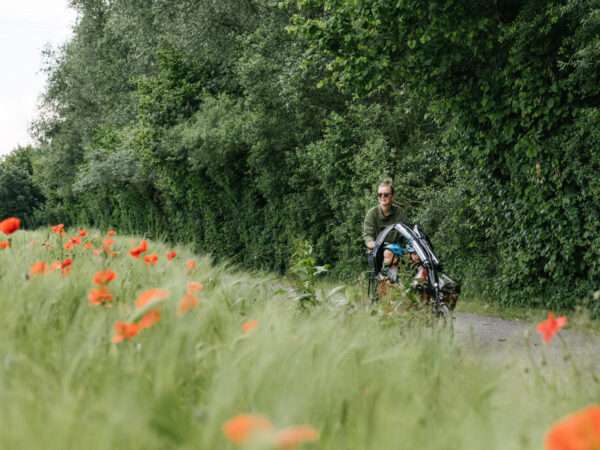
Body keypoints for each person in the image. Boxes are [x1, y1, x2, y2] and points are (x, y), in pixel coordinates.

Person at [362, 178, 406, 280]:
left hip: (397, 251)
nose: (382, 197)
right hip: (376, 253)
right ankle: (384, 283)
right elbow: (368, 237)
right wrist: (378, 245)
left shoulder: (400, 213)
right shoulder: (372, 214)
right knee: (388, 253)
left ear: (392, 196)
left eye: (386, 194)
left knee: (415, 256)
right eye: (380, 194)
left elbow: (405, 235)